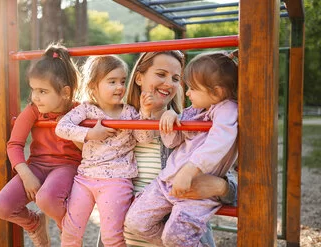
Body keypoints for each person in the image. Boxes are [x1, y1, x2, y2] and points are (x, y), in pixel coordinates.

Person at [96, 51, 237, 247]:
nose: (170, 83)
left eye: (176, 78)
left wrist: (221, 187)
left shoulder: (195, 123)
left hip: (178, 222)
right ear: (138, 77)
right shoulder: (117, 124)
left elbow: (235, 178)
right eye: (161, 74)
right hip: (123, 240)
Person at [55, 55, 154, 247]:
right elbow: (61, 127)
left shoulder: (130, 112)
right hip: (85, 179)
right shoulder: (86, 109)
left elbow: (144, 138)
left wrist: (146, 114)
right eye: (112, 81)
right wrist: (91, 133)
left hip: (116, 182)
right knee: (70, 232)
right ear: (93, 86)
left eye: (123, 81)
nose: (119, 87)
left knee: (112, 237)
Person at [0, 43, 82, 247]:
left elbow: (87, 150)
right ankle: (34, 224)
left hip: (66, 166)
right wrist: (26, 175)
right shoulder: (33, 111)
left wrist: (71, 129)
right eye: (33, 89)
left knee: (47, 198)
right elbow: (14, 144)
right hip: (36, 167)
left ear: (65, 92)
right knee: (2, 206)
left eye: (42, 91)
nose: (35, 97)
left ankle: (68, 233)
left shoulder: (78, 111)